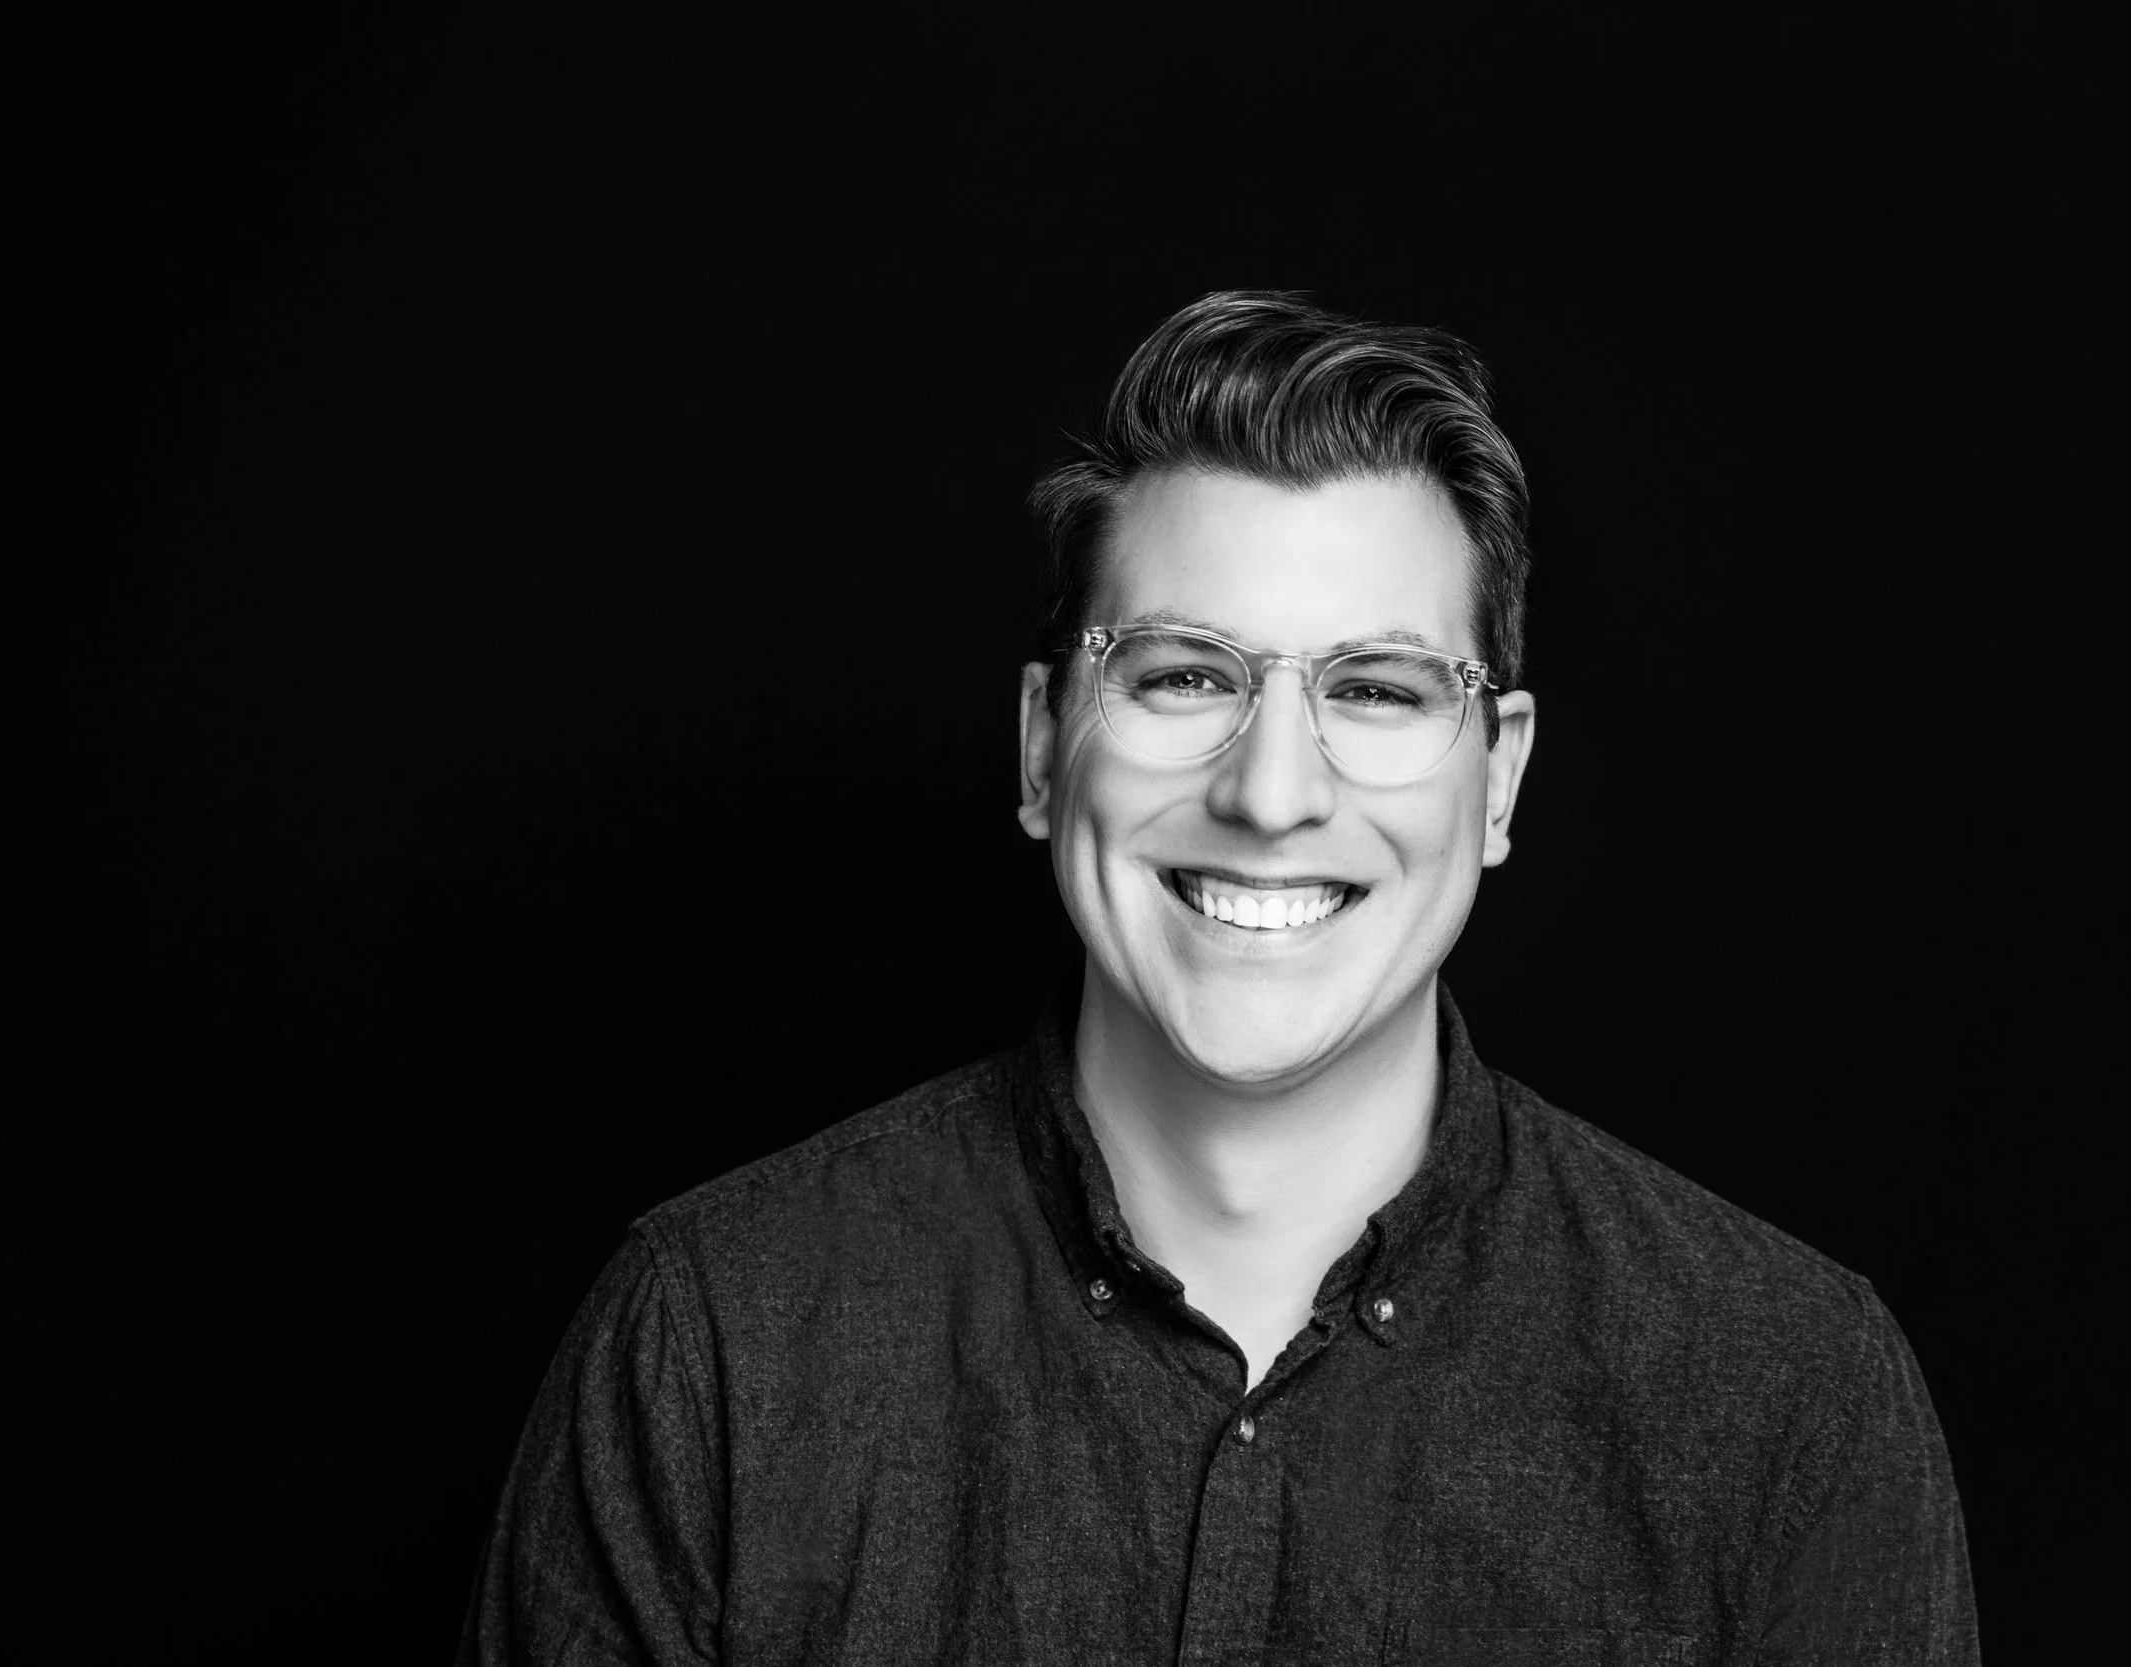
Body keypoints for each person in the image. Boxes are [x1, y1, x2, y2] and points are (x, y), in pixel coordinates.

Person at [457, 291, 1980, 1664]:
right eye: (1187, 673)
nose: (1270, 792)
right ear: (1048, 744)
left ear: (1498, 778)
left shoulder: (1788, 1400)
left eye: (1376, 690)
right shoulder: (711, 1343)